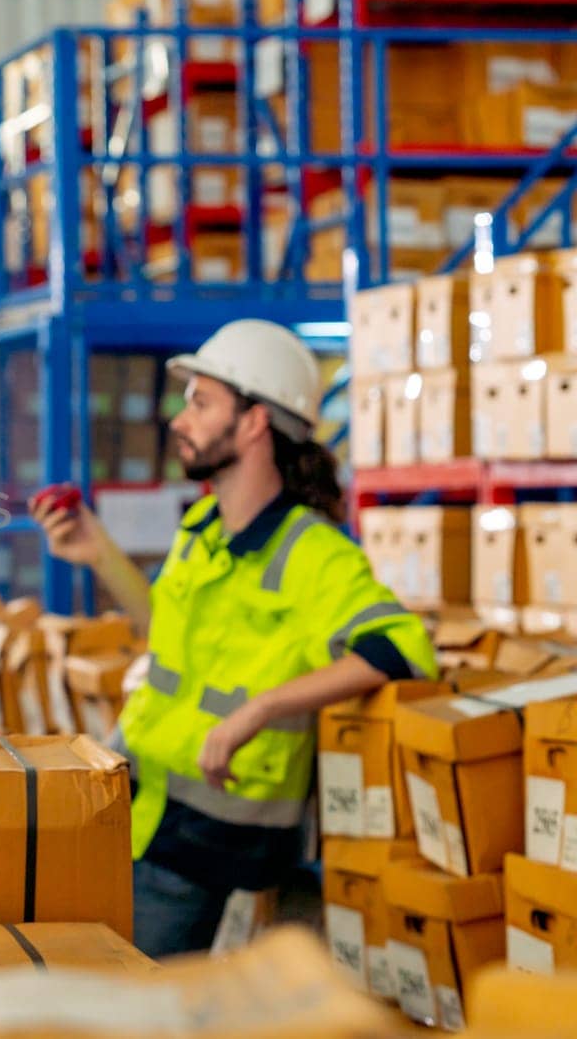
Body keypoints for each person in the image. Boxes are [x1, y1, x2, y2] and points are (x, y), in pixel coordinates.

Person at [32, 318, 435, 959]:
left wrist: (262, 708)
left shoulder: (316, 554)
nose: (179, 420)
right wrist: (98, 551)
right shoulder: (203, 526)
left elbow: (402, 648)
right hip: (143, 808)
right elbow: (167, 630)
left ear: (252, 422)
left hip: (213, 838)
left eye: (201, 402)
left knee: (126, 1006)